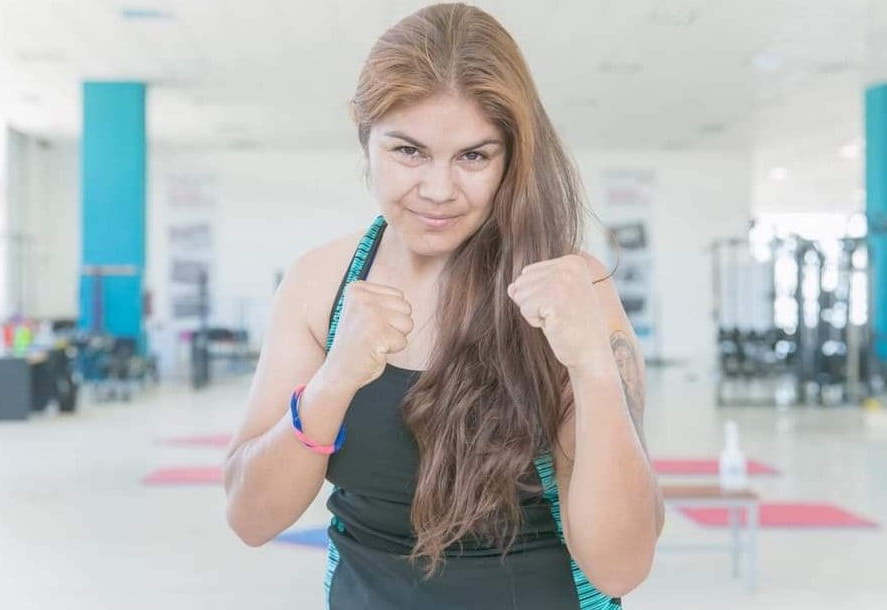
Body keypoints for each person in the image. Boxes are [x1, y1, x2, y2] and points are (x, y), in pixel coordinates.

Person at [223, 3, 664, 608]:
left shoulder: (567, 290)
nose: (438, 190)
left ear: (511, 157)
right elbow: (250, 519)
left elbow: (621, 567)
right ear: (364, 133)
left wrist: (593, 370)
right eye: (408, 151)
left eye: (474, 157)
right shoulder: (321, 283)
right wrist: (335, 380)